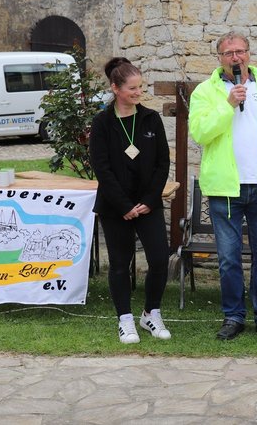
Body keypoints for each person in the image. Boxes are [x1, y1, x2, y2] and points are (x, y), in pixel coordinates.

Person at [189, 31, 257, 341]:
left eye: (240, 51)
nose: (235, 57)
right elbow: (200, 133)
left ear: (249, 54)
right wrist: (228, 104)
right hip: (226, 188)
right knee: (229, 259)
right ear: (220, 58)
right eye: (229, 53)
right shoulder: (205, 91)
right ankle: (234, 316)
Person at [90, 57, 172, 344]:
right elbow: (101, 168)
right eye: (132, 88)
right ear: (116, 88)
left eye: (141, 87)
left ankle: (151, 313)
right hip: (116, 208)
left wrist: (150, 199)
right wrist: (123, 205)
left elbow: (163, 162)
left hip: (148, 204)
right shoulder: (102, 123)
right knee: (119, 264)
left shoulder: (151, 119)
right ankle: (124, 319)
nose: (139, 93)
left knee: (159, 259)